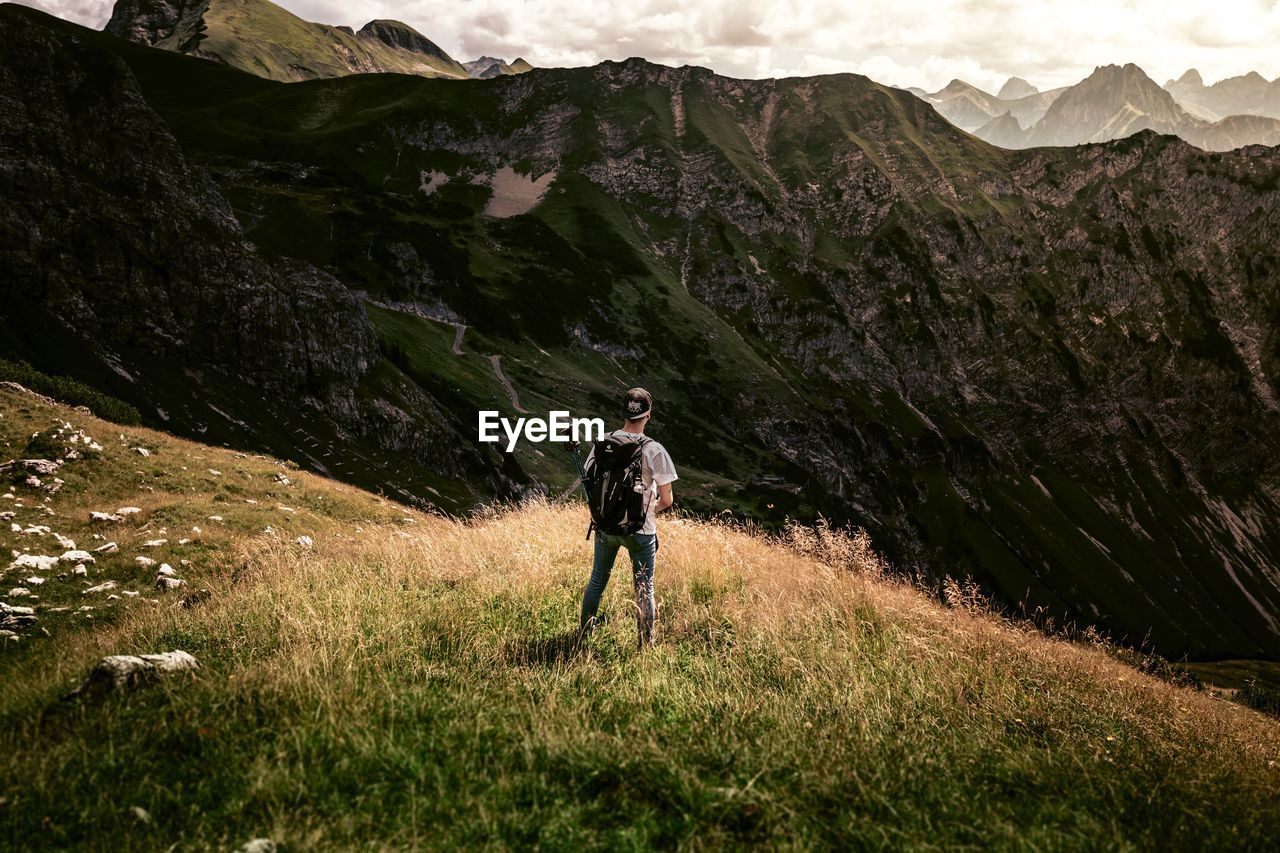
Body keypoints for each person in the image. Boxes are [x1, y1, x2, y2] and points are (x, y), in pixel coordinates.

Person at [579, 387, 677, 648]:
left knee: (597, 581)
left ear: (623, 412)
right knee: (645, 589)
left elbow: (588, 481)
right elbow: (667, 500)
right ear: (649, 415)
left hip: (606, 526)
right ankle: (645, 646)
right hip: (640, 531)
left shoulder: (603, 443)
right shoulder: (654, 449)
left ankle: (584, 636)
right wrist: (643, 512)